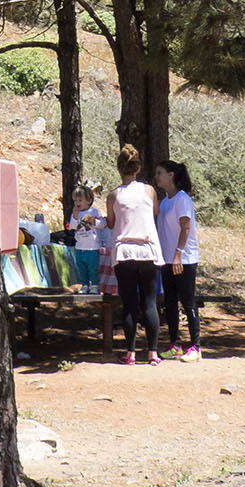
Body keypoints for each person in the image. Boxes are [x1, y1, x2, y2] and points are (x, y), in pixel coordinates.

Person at [105, 145, 162, 365]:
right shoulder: (149, 191)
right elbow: (155, 211)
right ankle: (153, 352)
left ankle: (130, 352)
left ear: (119, 168)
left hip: (124, 252)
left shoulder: (114, 195)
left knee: (129, 303)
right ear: (138, 168)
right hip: (148, 251)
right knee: (149, 302)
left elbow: (110, 223)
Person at [155, 161, 202, 361]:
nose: (156, 177)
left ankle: (196, 347)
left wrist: (178, 254)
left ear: (171, 175)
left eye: (160, 173)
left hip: (184, 259)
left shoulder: (182, 199)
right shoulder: (165, 201)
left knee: (188, 302)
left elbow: (185, 228)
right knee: (170, 302)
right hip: (167, 259)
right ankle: (175, 344)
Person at [68, 185, 105, 295]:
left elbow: (103, 224)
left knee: (93, 268)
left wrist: (94, 222)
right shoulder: (76, 214)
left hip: (92, 247)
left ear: (88, 200)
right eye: (75, 200)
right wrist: (75, 216)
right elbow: (72, 227)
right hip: (80, 246)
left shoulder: (94, 212)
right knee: (82, 268)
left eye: (80, 200)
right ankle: (84, 285)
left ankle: (94, 286)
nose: (77, 203)